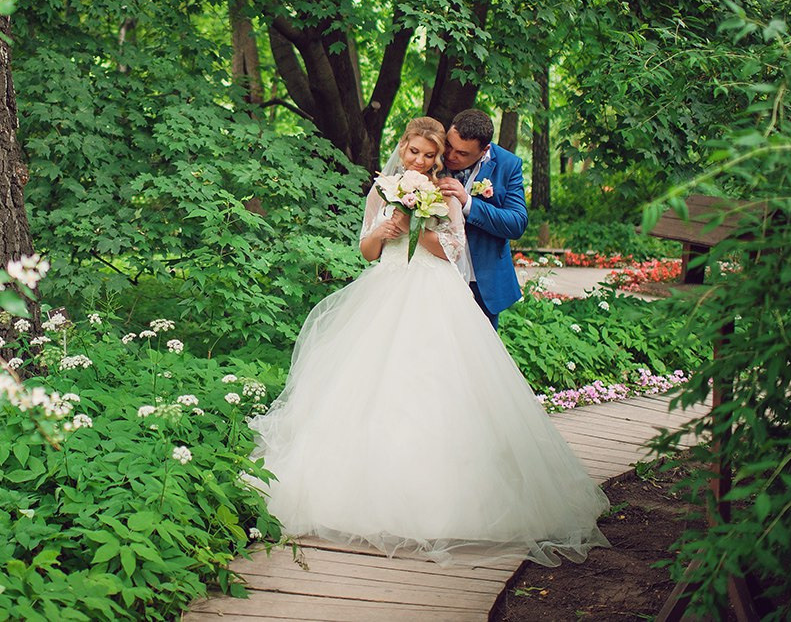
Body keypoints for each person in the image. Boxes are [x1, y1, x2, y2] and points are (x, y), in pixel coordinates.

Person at [250, 116, 608, 568]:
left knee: (438, 390)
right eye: (414, 151)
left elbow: (455, 251)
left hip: (435, 295)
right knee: (369, 387)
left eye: (430, 155)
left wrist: (423, 222)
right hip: (384, 292)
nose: (420, 160)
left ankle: (448, 502)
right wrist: (385, 230)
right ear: (401, 148)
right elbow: (367, 248)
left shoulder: (447, 193)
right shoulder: (382, 189)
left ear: (440, 160)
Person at [436, 109, 528, 330]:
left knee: (481, 358)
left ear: (484, 150)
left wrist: (468, 202)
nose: (450, 156)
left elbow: (516, 223)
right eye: (449, 145)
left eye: (462, 153)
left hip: (482, 282)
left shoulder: (508, 165)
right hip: (435, 275)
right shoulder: (431, 154)